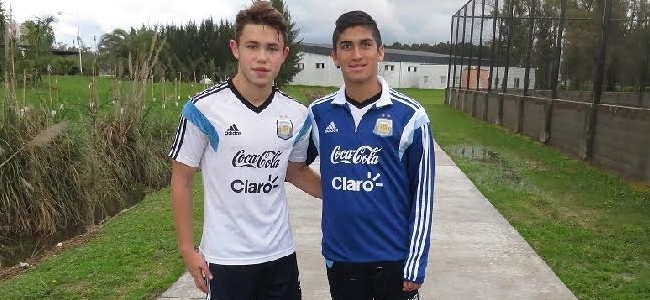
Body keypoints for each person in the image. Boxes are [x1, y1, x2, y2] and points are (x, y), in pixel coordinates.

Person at [168, 1, 321, 299]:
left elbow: (294, 171)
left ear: (284, 55)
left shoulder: (297, 114)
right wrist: (188, 249)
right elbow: (181, 179)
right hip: (226, 259)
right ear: (236, 48)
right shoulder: (203, 109)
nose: (262, 58)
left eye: (272, 48)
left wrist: (343, 194)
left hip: (280, 255)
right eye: (252, 46)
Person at [307, 10, 435, 300]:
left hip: (393, 259)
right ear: (335, 56)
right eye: (346, 46)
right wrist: (331, 191)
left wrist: (415, 262)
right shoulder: (318, 114)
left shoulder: (411, 116)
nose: (356, 54)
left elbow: (423, 196)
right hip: (341, 258)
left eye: (365, 44)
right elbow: (293, 167)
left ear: (380, 53)